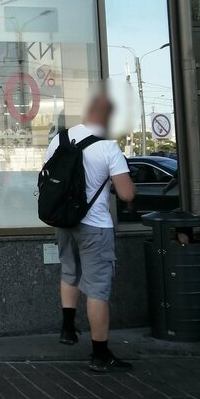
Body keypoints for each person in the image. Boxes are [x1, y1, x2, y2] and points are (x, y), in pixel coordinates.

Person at [44, 89, 136, 371]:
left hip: (64, 221)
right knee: (97, 289)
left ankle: (68, 329)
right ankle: (100, 354)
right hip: (95, 226)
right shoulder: (108, 146)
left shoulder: (59, 140)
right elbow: (127, 194)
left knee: (69, 271)